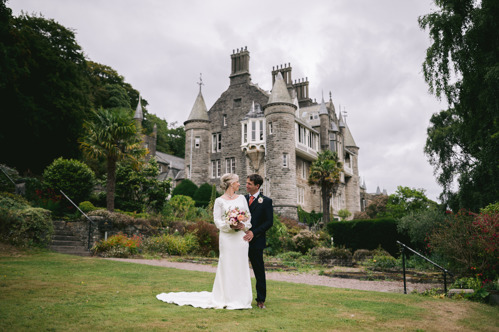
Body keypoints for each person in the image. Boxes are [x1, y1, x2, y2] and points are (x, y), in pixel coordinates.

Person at [156, 173, 253, 309]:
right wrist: (229, 225)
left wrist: (244, 225)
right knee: (227, 265)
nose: (239, 184)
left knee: (241, 266)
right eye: (237, 182)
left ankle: (242, 298)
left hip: (240, 238)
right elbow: (217, 221)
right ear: (231, 183)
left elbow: (248, 217)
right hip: (227, 237)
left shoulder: (242, 198)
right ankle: (226, 297)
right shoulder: (219, 201)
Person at [243, 174, 273, 309]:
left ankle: (261, 299)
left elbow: (269, 222)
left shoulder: (266, 201)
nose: (246, 186)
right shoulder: (242, 199)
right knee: (240, 269)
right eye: (247, 183)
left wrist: (254, 233)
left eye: (249, 184)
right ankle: (240, 296)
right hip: (241, 240)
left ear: (257, 186)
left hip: (257, 241)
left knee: (259, 271)